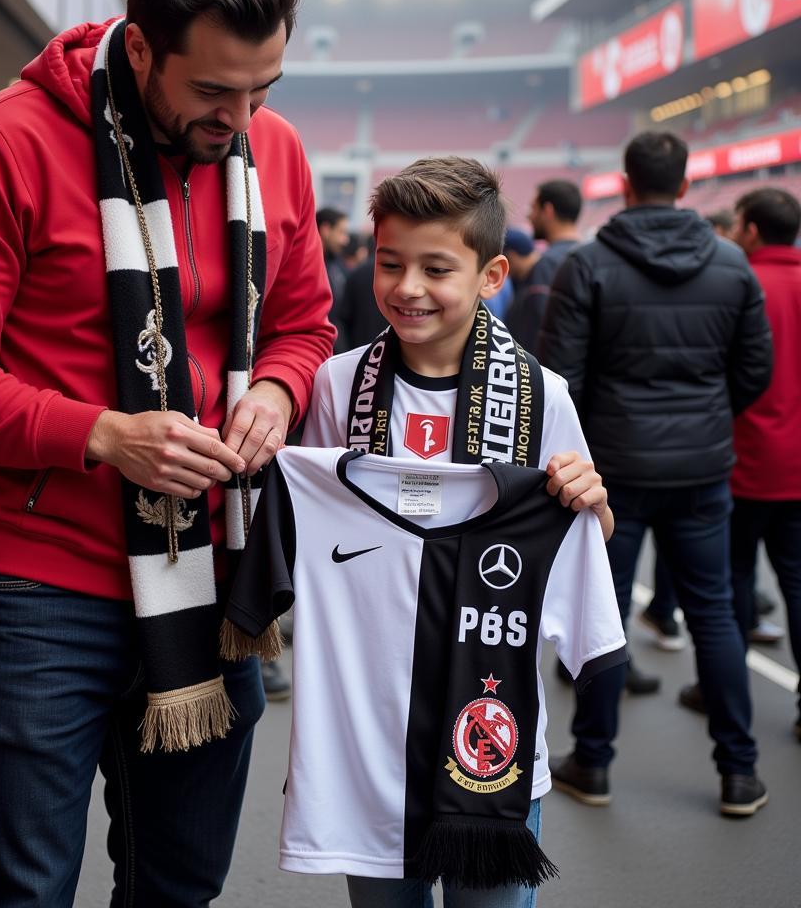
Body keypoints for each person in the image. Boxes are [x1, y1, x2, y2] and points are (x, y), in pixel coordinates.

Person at [0, 0, 334, 908]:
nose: (240, 118)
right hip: (35, 584)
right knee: (21, 890)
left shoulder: (277, 151)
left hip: (215, 578)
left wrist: (276, 386)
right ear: (139, 47)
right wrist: (98, 433)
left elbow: (304, 321)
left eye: (263, 90)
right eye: (214, 91)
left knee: (180, 886)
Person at [300, 157, 621, 908]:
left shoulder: (543, 396)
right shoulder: (337, 386)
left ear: (491, 273)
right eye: (390, 264)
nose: (406, 288)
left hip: (491, 734)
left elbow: (585, 537)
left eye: (436, 268)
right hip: (368, 731)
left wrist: (593, 502)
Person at [539, 131, 773, 817]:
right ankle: (739, 771)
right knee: (715, 614)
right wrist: (707, 415)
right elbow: (754, 367)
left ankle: (594, 760)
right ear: (687, 181)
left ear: (627, 179)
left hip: (613, 468)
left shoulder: (588, 265)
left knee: (603, 614)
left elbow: (563, 377)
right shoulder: (733, 264)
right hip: (703, 466)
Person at [677, 188, 801, 737]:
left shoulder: (742, 282)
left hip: (744, 458)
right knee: (796, 584)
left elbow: (726, 372)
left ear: (750, 229)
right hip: (795, 462)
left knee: (729, 586)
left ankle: (724, 696)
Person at [508, 180, 583, 357]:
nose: (529, 217)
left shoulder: (547, 264)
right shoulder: (591, 259)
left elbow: (537, 333)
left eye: (533, 209)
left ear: (548, 211)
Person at [318, 205, 352, 352]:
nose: (345, 240)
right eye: (341, 232)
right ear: (326, 229)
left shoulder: (336, 264)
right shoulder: (305, 264)